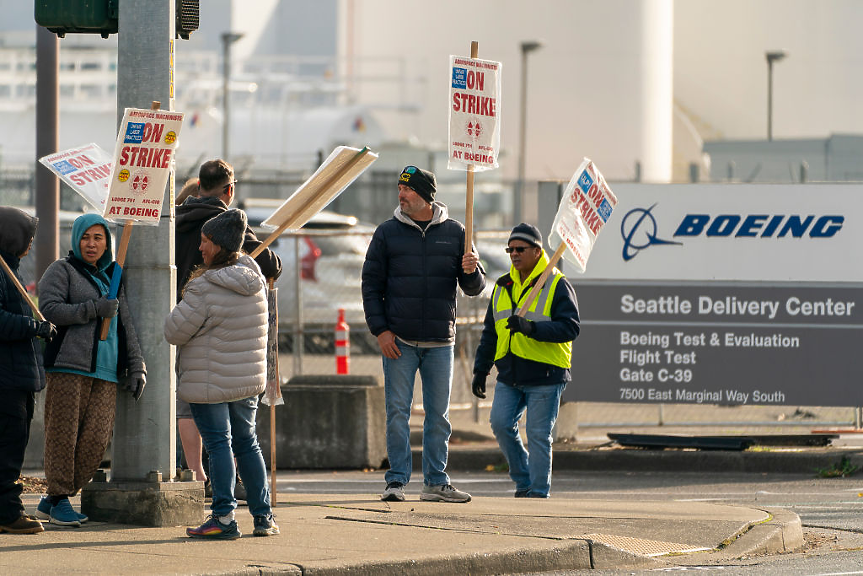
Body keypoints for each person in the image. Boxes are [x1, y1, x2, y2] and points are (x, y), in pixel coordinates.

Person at [362, 165, 485, 503]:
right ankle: (396, 482)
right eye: (399, 189)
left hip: (440, 343)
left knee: (438, 416)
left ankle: (435, 482)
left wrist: (472, 272)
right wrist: (381, 331)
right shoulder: (387, 233)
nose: (400, 195)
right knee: (398, 413)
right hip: (398, 341)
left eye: (408, 190)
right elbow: (371, 285)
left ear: (426, 195)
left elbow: (474, 288)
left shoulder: (457, 232)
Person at [165, 209, 278, 539]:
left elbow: (173, 331)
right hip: (247, 381)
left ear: (218, 246)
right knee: (248, 444)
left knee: (218, 445)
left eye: (205, 242)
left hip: (210, 381)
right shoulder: (254, 279)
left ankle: (224, 518)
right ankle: (264, 517)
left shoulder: (204, 287)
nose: (200, 248)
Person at [174, 159, 281, 496]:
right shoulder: (226, 225)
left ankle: (196, 475)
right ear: (229, 189)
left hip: (185, 316)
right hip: (225, 333)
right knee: (235, 435)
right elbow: (269, 263)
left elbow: (172, 330)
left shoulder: (174, 218)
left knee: (188, 405)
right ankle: (247, 503)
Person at [36, 213, 147, 526]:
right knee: (63, 437)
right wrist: (92, 309)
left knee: (95, 443)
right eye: (86, 237)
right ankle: (59, 499)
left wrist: (137, 365)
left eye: (98, 238)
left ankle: (52, 500)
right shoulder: (62, 270)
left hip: (106, 372)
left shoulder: (114, 274)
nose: (91, 244)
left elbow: (126, 324)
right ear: (76, 240)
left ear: (107, 242)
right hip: (68, 367)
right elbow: (50, 309)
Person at [471, 223, 580, 498]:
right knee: (500, 423)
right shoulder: (502, 286)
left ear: (536, 251)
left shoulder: (555, 283)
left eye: (520, 249)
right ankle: (524, 481)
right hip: (510, 373)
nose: (514, 254)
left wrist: (532, 329)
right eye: (510, 250)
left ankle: (538, 492)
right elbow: (490, 333)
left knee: (539, 436)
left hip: (545, 373)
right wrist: (480, 370)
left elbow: (571, 327)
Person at [0, 207, 55, 534]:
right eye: (27, 236)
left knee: (10, 445)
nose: (31, 242)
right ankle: (7, 512)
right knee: (8, 448)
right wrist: (32, 326)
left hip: (15, 376)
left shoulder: (11, 269)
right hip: (6, 379)